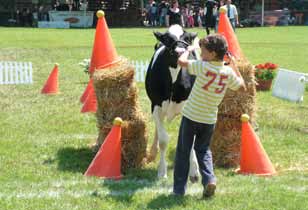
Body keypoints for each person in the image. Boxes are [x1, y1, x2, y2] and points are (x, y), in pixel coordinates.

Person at [173, 34, 246, 198]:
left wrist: (188, 50)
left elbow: (181, 62)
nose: (201, 54)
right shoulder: (227, 72)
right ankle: (209, 179)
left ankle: (178, 190)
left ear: (212, 54)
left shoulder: (203, 66)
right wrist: (234, 66)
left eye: (203, 51)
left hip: (191, 116)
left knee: (183, 151)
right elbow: (242, 87)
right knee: (203, 150)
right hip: (209, 119)